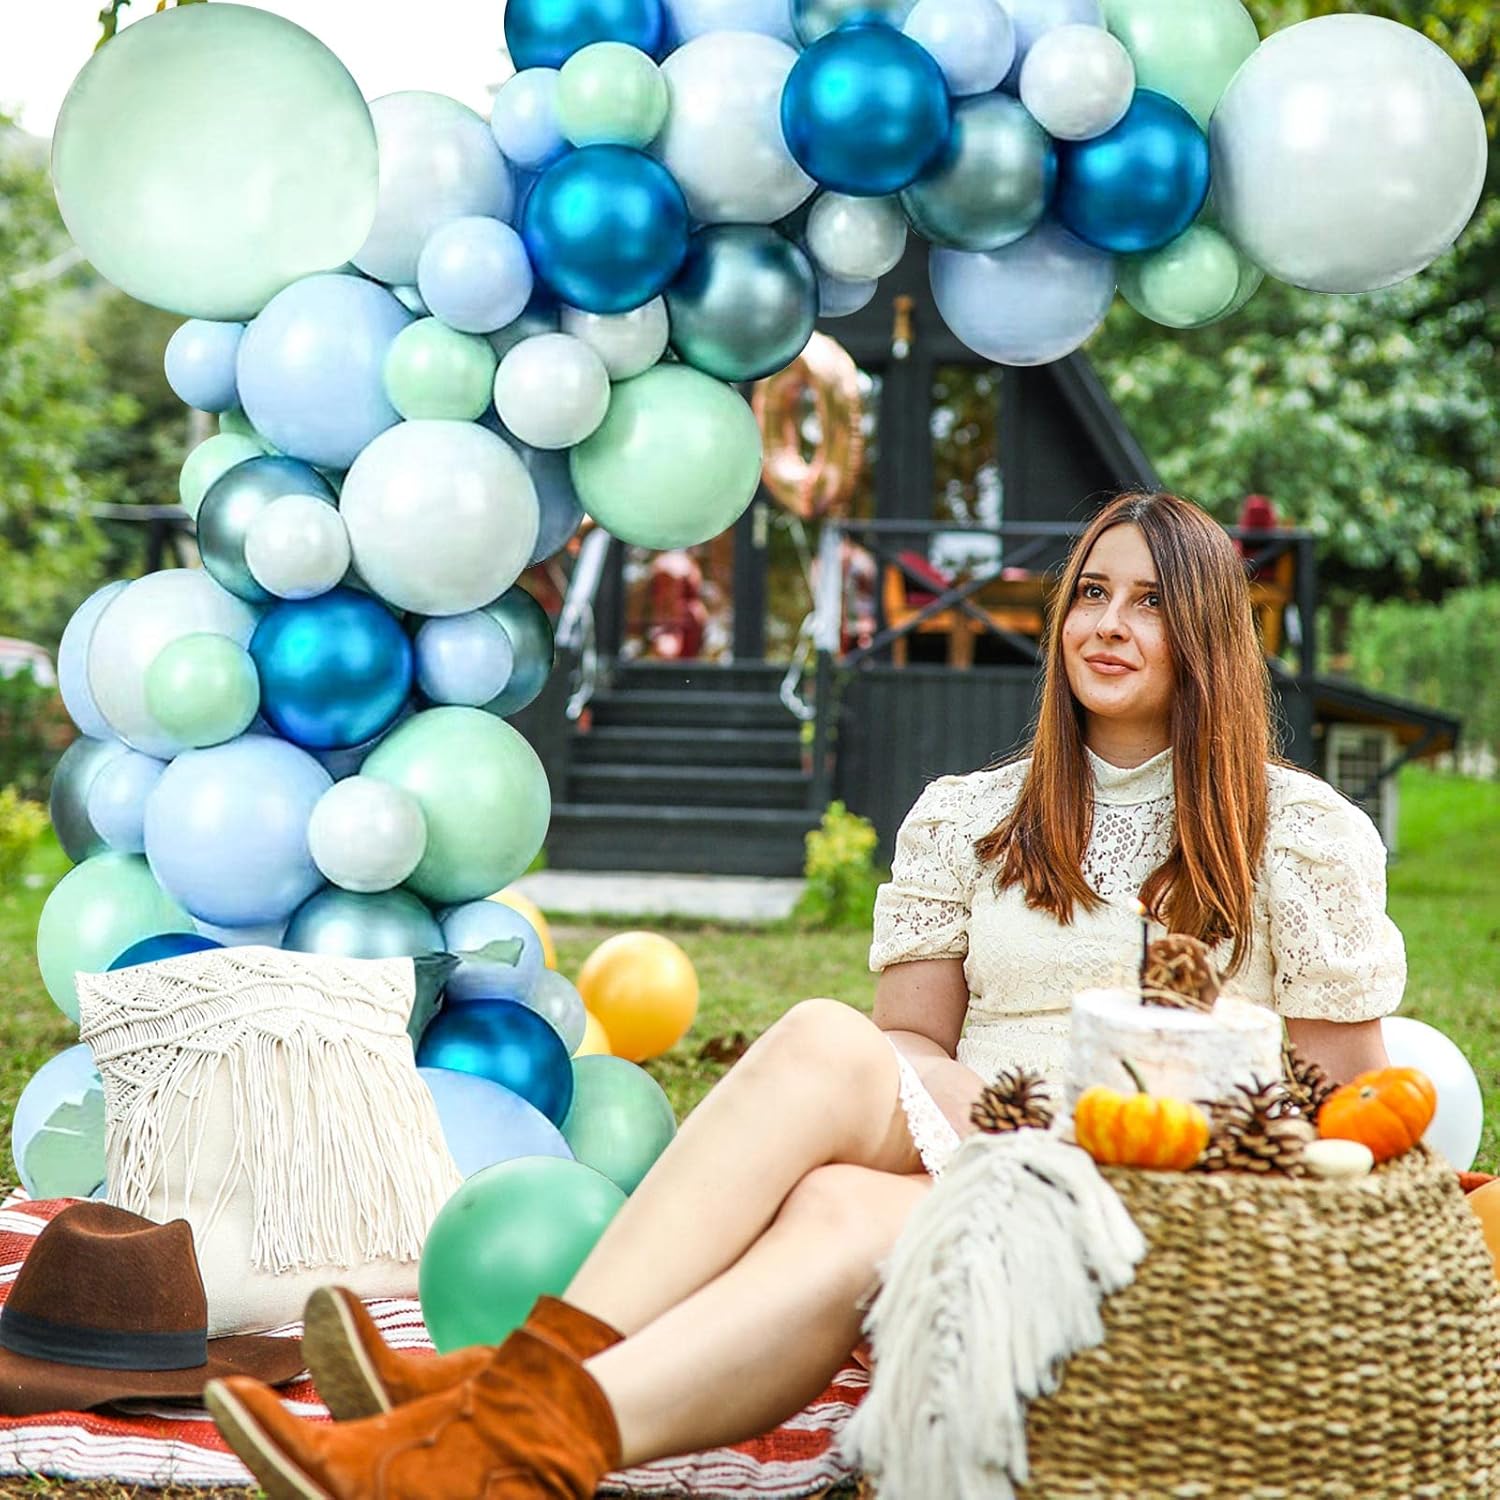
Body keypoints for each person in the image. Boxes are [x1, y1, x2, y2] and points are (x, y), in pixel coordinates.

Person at [206, 491, 1404, 1499]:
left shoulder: (1299, 836)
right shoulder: (974, 817)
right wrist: (994, 1117)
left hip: (1159, 1186)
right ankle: (505, 1434)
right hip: (976, 1144)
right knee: (833, 1105)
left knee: (838, 1171)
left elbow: (1336, 1112)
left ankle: (485, 1414)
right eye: (1091, 593)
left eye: (1147, 601)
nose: (1107, 622)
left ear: (1206, 631)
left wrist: (1083, 1128)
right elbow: (908, 1046)